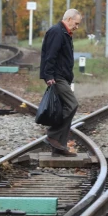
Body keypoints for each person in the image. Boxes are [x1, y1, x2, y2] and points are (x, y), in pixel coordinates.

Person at [40, 9, 82, 157]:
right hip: (57, 77)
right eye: (76, 23)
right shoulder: (57, 32)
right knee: (72, 104)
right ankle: (52, 135)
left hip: (63, 76)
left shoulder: (64, 33)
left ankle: (59, 148)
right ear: (69, 19)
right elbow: (50, 55)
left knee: (62, 109)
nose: (77, 26)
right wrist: (49, 75)